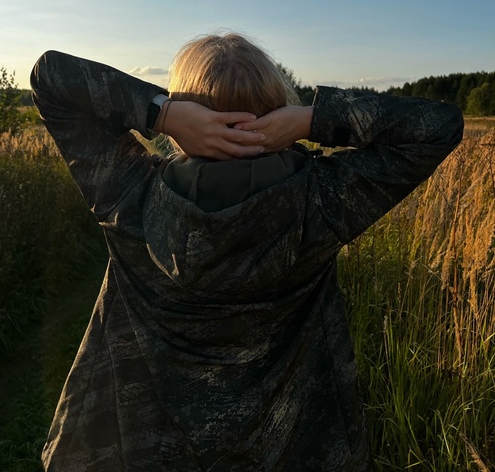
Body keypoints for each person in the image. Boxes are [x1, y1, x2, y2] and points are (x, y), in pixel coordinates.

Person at [31, 33, 463, 472]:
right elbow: (439, 125)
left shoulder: (130, 195)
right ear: (277, 110)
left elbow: (51, 78)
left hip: (140, 452)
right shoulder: (321, 200)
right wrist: (312, 121)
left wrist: (164, 113)